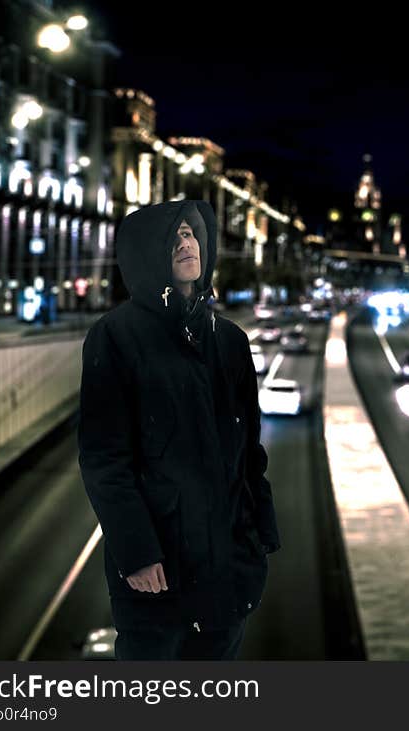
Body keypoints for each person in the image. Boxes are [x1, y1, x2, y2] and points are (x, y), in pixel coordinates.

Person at [78, 200, 279, 660]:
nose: (186, 242)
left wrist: (259, 535)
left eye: (191, 233)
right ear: (147, 252)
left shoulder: (230, 340)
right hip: (158, 577)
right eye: (174, 235)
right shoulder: (116, 336)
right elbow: (104, 459)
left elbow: (249, 451)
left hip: (229, 570)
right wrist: (137, 553)